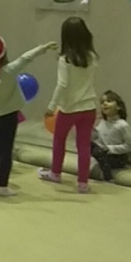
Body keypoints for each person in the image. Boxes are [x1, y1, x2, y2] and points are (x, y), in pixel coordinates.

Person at [0, 34, 57, 195]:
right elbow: (26, 58)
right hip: (9, 117)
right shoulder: (10, 70)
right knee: (5, 151)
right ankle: (3, 186)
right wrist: (42, 48)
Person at [38, 17, 99, 193]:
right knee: (84, 145)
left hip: (69, 108)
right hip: (89, 107)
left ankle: (55, 172)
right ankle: (83, 183)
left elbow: (62, 85)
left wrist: (51, 106)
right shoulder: (92, 57)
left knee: (59, 140)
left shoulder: (65, 60)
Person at [91, 91, 131, 182]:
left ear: (118, 107)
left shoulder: (122, 125)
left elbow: (129, 145)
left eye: (109, 101)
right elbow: (97, 138)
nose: (105, 103)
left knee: (102, 155)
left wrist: (110, 148)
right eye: (102, 102)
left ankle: (108, 176)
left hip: (118, 156)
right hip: (102, 154)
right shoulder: (102, 123)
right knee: (89, 144)